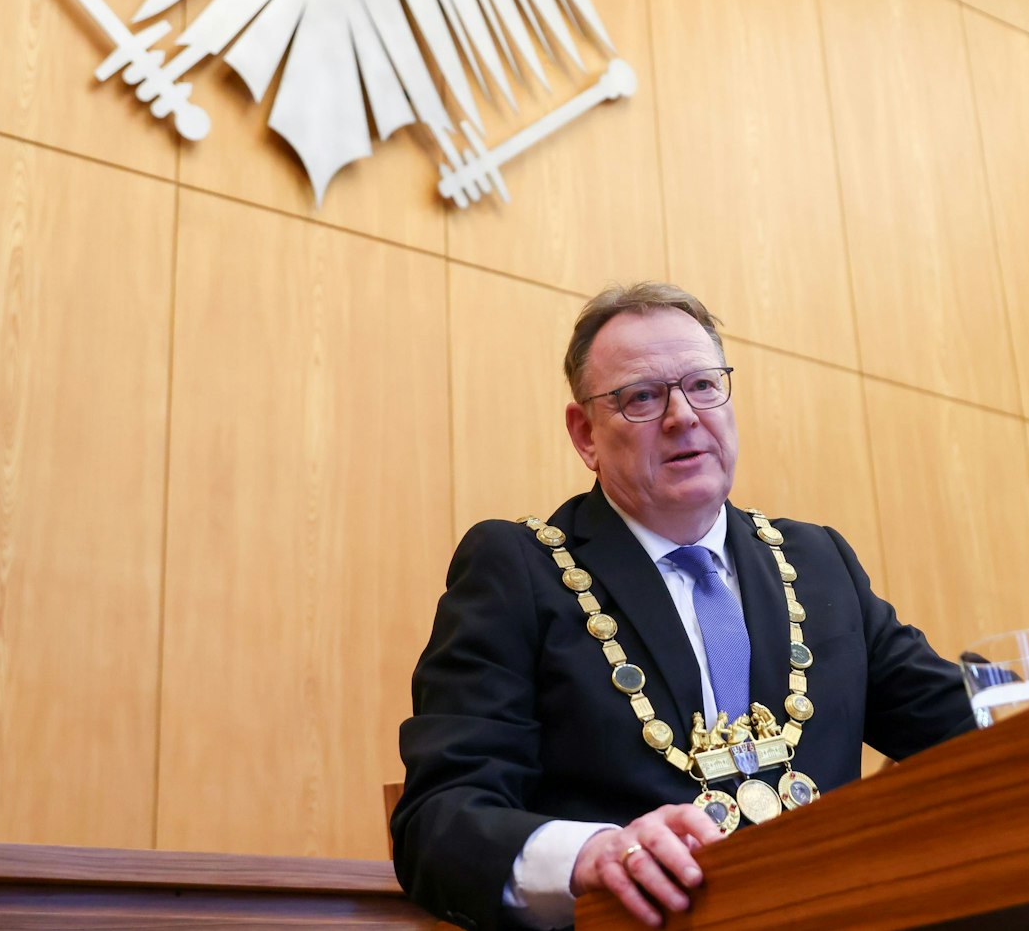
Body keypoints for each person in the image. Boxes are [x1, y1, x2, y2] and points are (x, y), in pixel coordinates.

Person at [392, 283, 975, 930]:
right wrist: (591, 853)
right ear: (585, 432)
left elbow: (964, 724)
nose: (682, 415)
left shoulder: (817, 563)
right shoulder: (520, 568)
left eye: (703, 384)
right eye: (642, 396)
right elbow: (439, 820)